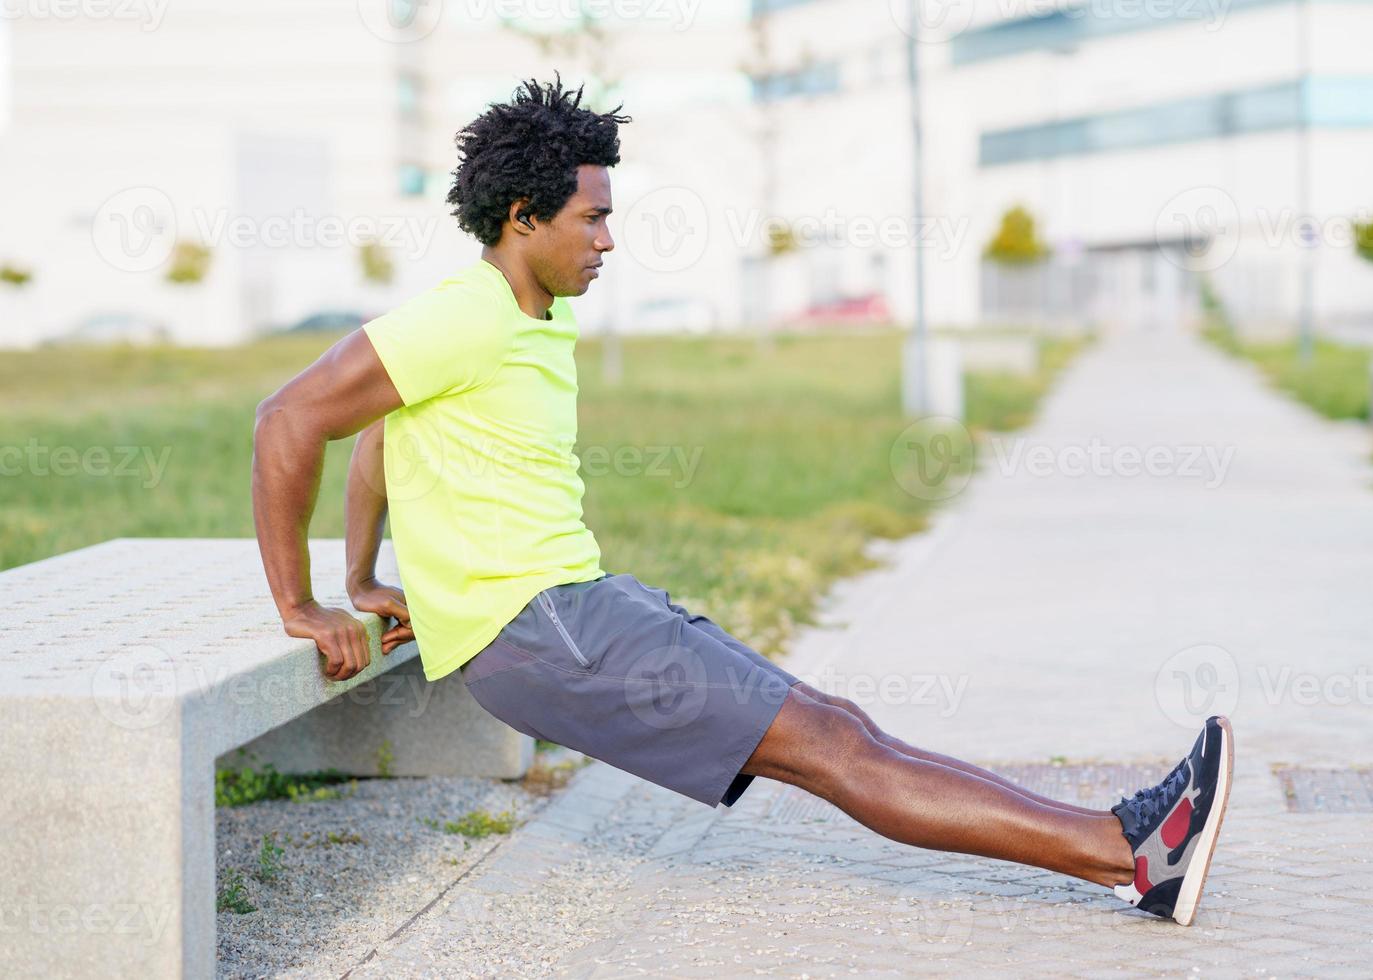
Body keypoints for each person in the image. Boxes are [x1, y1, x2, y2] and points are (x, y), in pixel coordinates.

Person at [250, 76, 1233, 926]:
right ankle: (1126, 850)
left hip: (572, 607)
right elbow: (288, 418)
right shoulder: (464, 315)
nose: (609, 239)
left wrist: (365, 574)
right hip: (544, 632)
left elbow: (379, 433)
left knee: (837, 723)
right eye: (591, 217)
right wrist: (304, 601)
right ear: (522, 217)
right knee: (836, 751)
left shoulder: (514, 318)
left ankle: (1125, 841)